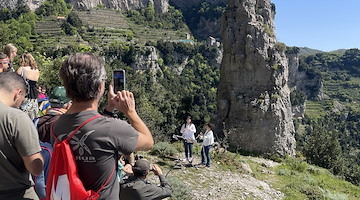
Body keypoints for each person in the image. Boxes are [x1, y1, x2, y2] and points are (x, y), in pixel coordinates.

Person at [51, 52, 154, 199]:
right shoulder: (113, 128)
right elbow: (148, 142)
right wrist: (130, 111)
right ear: (100, 86)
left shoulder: (57, 124)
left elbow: (91, 129)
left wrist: (109, 109)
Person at [0, 72, 44, 200]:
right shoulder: (16, 118)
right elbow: (35, 168)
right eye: (23, 98)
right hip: (16, 193)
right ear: (17, 93)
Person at [17, 53, 40, 120]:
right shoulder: (36, 71)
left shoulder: (22, 69)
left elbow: (15, 81)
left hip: (24, 95)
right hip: (34, 97)